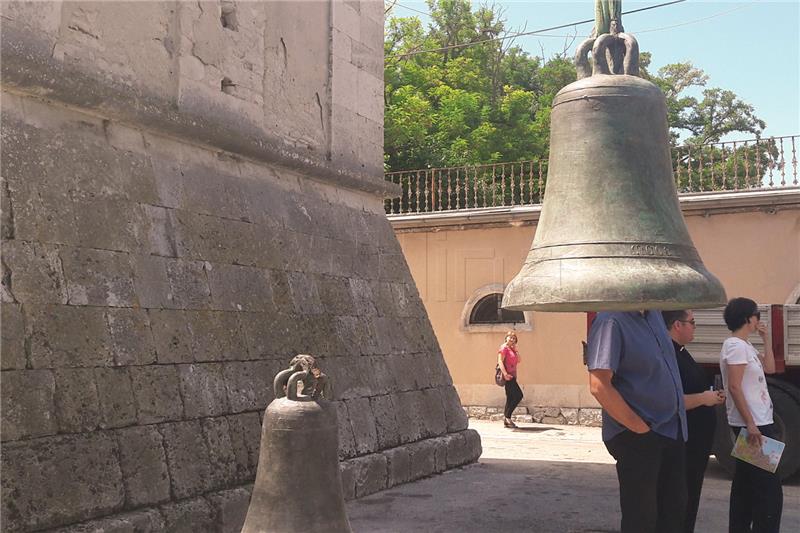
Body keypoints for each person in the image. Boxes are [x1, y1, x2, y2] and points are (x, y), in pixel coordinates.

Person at [586, 310, 688, 533]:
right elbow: (599, 385)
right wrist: (640, 429)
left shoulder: (654, 316)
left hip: (670, 430)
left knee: (672, 513)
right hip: (638, 436)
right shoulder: (610, 321)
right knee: (642, 519)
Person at [720, 297, 782, 533]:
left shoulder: (744, 346)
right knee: (769, 490)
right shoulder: (735, 346)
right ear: (748, 318)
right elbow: (735, 387)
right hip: (755, 425)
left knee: (745, 484)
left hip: (759, 422)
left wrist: (765, 338)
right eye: (756, 314)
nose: (759, 318)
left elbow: (770, 368)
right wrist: (751, 424)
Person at [663, 309, 726, 533]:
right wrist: (704, 398)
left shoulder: (682, 352)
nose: (695, 327)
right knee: (680, 502)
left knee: (690, 500)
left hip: (696, 444)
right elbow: (669, 401)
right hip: (684, 444)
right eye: (692, 322)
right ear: (677, 325)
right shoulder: (668, 356)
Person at [497, 331, 523, 428]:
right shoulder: (503, 348)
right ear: (506, 338)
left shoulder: (512, 349)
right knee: (519, 395)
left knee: (510, 397)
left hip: (513, 376)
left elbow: (519, 360)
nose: (512, 339)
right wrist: (505, 374)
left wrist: (515, 350)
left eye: (514, 338)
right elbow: (500, 361)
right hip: (508, 376)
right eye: (510, 337)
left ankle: (507, 420)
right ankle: (507, 417)